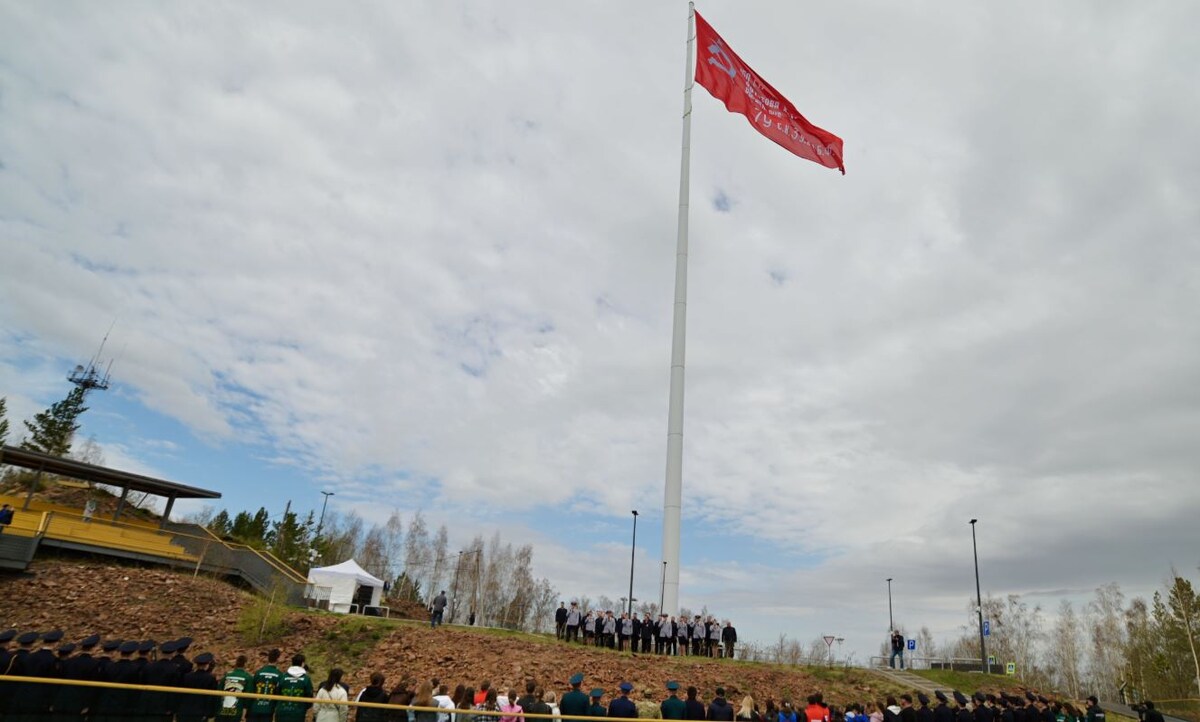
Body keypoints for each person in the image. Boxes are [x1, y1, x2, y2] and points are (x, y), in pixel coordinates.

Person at [177, 652, 221, 722]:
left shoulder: (187, 676)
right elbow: (211, 698)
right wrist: (210, 713)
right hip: (200, 713)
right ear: (207, 665)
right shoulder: (210, 679)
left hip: (185, 711)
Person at [247, 649, 284, 722]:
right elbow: (279, 691)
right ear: (278, 659)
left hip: (254, 707)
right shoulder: (279, 675)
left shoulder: (259, 672)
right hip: (268, 709)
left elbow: (252, 688)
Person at [274, 654, 315, 722]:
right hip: (298, 713)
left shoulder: (283, 677)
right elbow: (309, 695)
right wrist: (304, 708)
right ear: (302, 663)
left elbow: (276, 692)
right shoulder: (306, 679)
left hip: (281, 712)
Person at [217, 654, 254, 720]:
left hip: (223, 708)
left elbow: (219, 691)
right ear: (245, 664)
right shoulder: (248, 677)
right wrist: (245, 712)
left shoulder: (227, 675)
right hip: (237, 709)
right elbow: (248, 697)